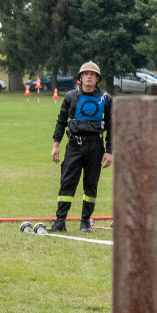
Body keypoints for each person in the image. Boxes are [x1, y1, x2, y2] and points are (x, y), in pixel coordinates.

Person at [51, 61, 114, 233]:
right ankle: (60, 221)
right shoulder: (71, 97)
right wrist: (56, 146)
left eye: (92, 74)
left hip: (95, 146)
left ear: (97, 79)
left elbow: (111, 126)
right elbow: (61, 122)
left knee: (91, 185)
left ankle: (85, 221)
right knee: (67, 183)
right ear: (80, 77)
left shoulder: (106, 99)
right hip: (74, 146)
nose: (89, 76)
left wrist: (109, 152)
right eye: (85, 74)